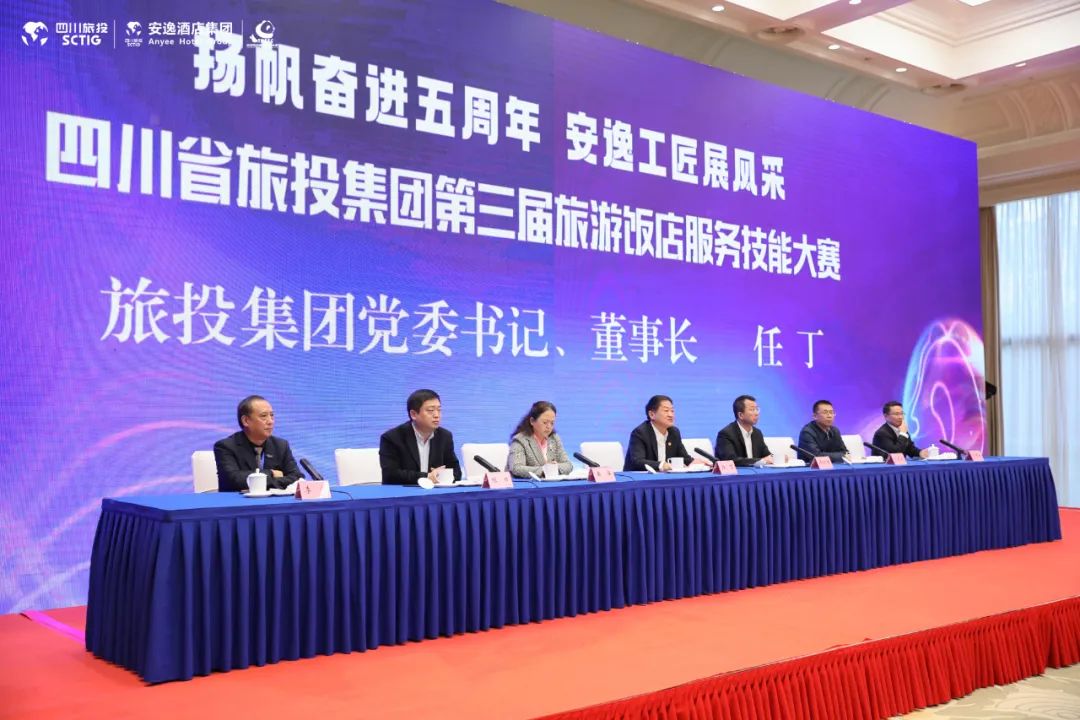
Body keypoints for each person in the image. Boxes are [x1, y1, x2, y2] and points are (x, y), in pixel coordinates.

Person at [214, 395, 302, 492]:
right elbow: (234, 479)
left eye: (272, 415)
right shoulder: (225, 446)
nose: (270, 421)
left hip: (273, 500)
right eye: (263, 416)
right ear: (246, 421)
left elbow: (297, 478)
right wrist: (271, 473)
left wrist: (264, 483)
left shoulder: (281, 445)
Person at [379, 389, 462, 485]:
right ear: (413, 414)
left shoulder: (445, 436)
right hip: (404, 492)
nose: (437, 415)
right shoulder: (392, 438)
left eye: (439, 410)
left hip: (434, 492)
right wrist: (427, 477)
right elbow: (390, 475)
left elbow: (456, 472)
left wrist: (441, 475)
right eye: (430, 410)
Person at [625, 395, 707, 471]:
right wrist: (661, 465)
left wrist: (695, 462)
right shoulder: (640, 432)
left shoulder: (674, 432)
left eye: (672, 411)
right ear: (652, 414)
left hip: (665, 478)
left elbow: (684, 458)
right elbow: (638, 461)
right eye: (666, 411)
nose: (671, 415)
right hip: (638, 479)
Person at [507, 401, 573, 478]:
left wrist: (555, 467)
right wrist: (544, 470)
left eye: (552, 423)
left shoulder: (554, 438)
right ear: (532, 421)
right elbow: (516, 468)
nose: (549, 427)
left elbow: (568, 465)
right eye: (545, 422)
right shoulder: (520, 440)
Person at [715, 395, 774, 467]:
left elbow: (767, 455)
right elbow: (731, 461)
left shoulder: (757, 433)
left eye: (757, 409)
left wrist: (775, 458)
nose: (756, 413)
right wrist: (760, 461)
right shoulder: (726, 434)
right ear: (741, 415)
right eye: (752, 410)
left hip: (756, 473)